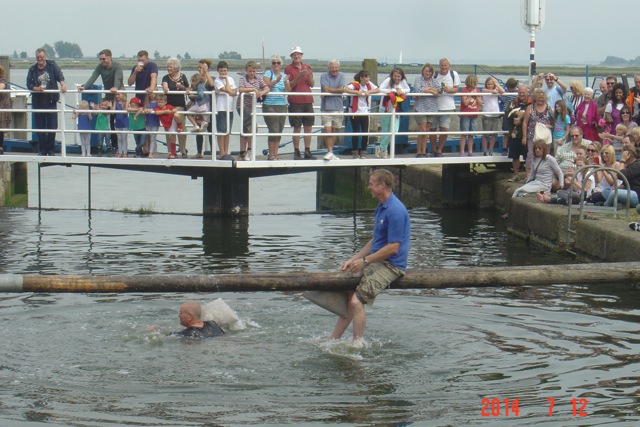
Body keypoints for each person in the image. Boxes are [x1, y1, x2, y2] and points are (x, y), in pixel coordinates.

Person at [329, 169, 410, 344]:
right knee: (348, 290)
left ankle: (357, 344)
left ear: (382, 185)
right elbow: (375, 241)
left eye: (371, 184)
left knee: (356, 302)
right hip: (376, 260)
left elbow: (393, 248)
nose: (369, 187)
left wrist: (365, 261)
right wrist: (353, 259)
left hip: (391, 265)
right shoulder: (381, 206)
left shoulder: (395, 210)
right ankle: (333, 339)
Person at [79, 49, 124, 151]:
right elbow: (93, 77)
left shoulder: (117, 66)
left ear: (110, 57)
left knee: (118, 122)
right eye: (100, 59)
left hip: (119, 97)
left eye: (104, 59)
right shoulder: (100, 67)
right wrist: (84, 86)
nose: (102, 61)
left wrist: (116, 87)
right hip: (108, 97)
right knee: (109, 122)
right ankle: (111, 145)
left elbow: (118, 78)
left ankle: (119, 146)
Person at [26, 48, 67, 156]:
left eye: (42, 57)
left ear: (46, 57)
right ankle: (42, 149)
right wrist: (37, 88)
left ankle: (51, 149)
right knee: (40, 126)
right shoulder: (32, 69)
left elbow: (59, 75)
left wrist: (63, 85)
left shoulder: (52, 65)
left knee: (52, 126)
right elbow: (29, 84)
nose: (40, 59)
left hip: (51, 100)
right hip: (38, 101)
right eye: (38, 57)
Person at [285, 46, 316, 160]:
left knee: (308, 127)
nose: (296, 56)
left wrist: (309, 75)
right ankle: (296, 151)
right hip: (295, 101)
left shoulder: (307, 67)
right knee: (297, 127)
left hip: (308, 100)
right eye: (294, 54)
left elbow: (312, 84)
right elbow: (289, 86)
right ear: (291, 56)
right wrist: (299, 76)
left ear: (301, 55)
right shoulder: (288, 69)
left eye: (298, 54)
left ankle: (307, 150)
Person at [237, 61, 269, 161]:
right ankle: (249, 150)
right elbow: (241, 89)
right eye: (250, 71)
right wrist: (253, 90)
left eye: (253, 71)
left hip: (252, 107)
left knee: (245, 128)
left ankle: (242, 152)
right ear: (246, 71)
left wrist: (261, 92)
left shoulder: (258, 79)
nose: (252, 73)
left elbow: (267, 88)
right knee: (252, 128)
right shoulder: (243, 78)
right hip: (242, 105)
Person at [345, 70, 379, 159]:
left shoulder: (368, 84)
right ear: (361, 78)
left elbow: (378, 89)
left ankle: (363, 151)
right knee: (356, 132)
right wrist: (356, 92)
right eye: (366, 77)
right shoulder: (355, 85)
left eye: (368, 77)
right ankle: (355, 152)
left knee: (365, 132)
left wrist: (369, 92)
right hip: (354, 112)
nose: (368, 79)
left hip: (364, 111)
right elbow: (346, 89)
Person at [262, 55, 291, 160]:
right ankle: (271, 154)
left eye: (278, 63)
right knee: (273, 129)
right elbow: (266, 86)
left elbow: (288, 90)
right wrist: (276, 81)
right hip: (269, 104)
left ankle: (276, 153)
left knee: (279, 130)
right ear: (271, 64)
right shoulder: (268, 73)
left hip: (282, 105)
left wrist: (285, 81)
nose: (276, 65)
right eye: (274, 63)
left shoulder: (284, 76)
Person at [431, 58, 461, 157]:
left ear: (449, 65)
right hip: (434, 106)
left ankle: (439, 150)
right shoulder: (434, 75)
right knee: (432, 129)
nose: (443, 67)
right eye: (442, 65)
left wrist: (448, 90)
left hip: (447, 106)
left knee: (444, 129)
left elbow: (456, 89)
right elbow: (430, 86)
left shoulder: (454, 74)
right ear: (439, 66)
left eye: (445, 65)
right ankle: (433, 150)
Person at [378, 67, 410, 158]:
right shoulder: (388, 80)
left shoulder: (403, 82)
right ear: (392, 76)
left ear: (402, 76)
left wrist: (401, 91)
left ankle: (381, 147)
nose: (397, 78)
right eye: (395, 76)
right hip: (385, 108)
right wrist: (392, 91)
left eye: (399, 76)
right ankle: (384, 151)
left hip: (396, 108)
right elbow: (381, 89)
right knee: (385, 130)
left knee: (394, 130)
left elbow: (408, 89)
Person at [522, 88, 553, 179]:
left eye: (542, 98)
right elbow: (525, 122)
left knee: (545, 155)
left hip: (545, 136)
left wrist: (550, 126)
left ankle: (543, 175)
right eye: (539, 97)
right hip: (532, 135)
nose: (540, 99)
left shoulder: (549, 108)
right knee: (530, 154)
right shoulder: (530, 107)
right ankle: (528, 176)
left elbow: (553, 122)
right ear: (535, 97)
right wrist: (524, 137)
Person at [162, 58, 189, 158]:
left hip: (180, 106)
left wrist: (182, 87)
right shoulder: (166, 77)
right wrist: (165, 87)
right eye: (168, 67)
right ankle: (171, 151)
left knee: (181, 129)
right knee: (169, 129)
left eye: (171, 67)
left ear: (176, 68)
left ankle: (183, 150)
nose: (168, 68)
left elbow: (188, 88)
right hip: (169, 107)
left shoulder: (183, 76)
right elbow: (164, 85)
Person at [320, 60, 346, 161]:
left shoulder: (342, 76)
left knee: (334, 130)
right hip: (326, 108)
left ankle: (331, 152)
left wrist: (331, 90)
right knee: (327, 130)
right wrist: (337, 90)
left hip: (338, 107)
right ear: (329, 68)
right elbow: (326, 89)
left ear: (338, 67)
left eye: (336, 67)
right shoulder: (324, 76)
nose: (334, 70)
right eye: (332, 67)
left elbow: (342, 89)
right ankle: (330, 151)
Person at [504, 84, 531, 182]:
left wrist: (523, 118)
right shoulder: (513, 102)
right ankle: (516, 175)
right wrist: (516, 113)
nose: (521, 94)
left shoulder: (531, 103)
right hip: (514, 134)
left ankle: (528, 176)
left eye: (523, 92)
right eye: (520, 92)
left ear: (527, 92)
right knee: (514, 156)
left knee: (527, 156)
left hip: (527, 134)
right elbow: (507, 113)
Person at [412, 64, 438, 157]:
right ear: (423, 71)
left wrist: (427, 89)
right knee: (422, 130)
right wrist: (431, 90)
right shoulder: (418, 80)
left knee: (427, 130)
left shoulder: (434, 81)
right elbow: (418, 90)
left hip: (432, 108)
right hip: (420, 108)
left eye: (430, 71)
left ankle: (424, 151)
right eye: (426, 71)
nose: (428, 73)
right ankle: (419, 152)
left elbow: (438, 91)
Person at [213, 61, 237, 161]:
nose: (223, 73)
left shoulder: (231, 79)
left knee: (227, 131)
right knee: (221, 131)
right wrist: (226, 81)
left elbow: (234, 92)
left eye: (225, 71)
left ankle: (226, 152)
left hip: (230, 108)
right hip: (221, 108)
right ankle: (222, 152)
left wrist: (229, 89)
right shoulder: (217, 81)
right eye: (221, 71)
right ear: (218, 71)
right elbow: (227, 90)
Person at [193, 59, 216, 159]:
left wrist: (206, 73)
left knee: (211, 130)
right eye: (198, 67)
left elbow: (212, 85)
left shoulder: (212, 78)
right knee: (199, 130)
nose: (199, 69)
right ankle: (199, 152)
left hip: (210, 108)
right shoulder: (197, 79)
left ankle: (213, 152)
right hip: (200, 108)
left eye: (201, 67)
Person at [459, 74, 482, 157]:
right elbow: (465, 102)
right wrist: (470, 94)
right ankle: (462, 151)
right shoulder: (464, 90)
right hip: (465, 114)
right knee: (464, 133)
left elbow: (480, 103)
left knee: (471, 134)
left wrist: (477, 95)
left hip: (474, 114)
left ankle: (470, 151)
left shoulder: (478, 90)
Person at [150, 93, 179, 159]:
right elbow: (157, 113)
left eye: (162, 102)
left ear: (165, 102)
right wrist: (165, 111)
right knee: (171, 138)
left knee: (176, 115)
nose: (160, 103)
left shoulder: (169, 106)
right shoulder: (157, 108)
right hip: (167, 124)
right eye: (159, 102)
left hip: (172, 122)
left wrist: (171, 111)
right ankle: (173, 153)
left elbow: (175, 109)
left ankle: (180, 125)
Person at [481, 76, 504, 156]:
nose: (490, 86)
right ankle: (485, 150)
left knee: (494, 134)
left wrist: (496, 84)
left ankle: (491, 149)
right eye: (488, 84)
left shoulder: (496, 91)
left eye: (491, 84)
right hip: (487, 114)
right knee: (486, 134)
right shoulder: (484, 90)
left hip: (495, 114)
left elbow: (502, 91)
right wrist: (494, 91)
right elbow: (486, 91)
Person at [500, 77, 519, 154]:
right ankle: (505, 148)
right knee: (506, 132)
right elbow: (500, 92)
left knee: (514, 131)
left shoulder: (518, 92)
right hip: (506, 113)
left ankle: (513, 148)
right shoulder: (506, 92)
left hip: (515, 113)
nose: (511, 89)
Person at [112, 92, 129, 158]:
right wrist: (111, 105)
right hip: (117, 123)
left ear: (123, 94)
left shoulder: (126, 102)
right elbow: (113, 112)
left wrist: (123, 107)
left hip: (124, 123)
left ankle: (125, 152)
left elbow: (126, 113)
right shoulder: (115, 102)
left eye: (119, 94)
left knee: (124, 138)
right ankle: (119, 152)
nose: (117, 96)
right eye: (116, 95)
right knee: (119, 138)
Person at [144, 93, 160, 158]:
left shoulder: (157, 102)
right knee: (151, 138)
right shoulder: (147, 103)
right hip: (148, 122)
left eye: (153, 93)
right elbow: (144, 109)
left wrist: (152, 110)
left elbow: (159, 109)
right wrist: (145, 110)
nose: (152, 95)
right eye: (150, 94)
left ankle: (151, 153)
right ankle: (154, 152)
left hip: (155, 122)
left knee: (153, 138)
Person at [0, 65, 11, 155]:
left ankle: (0, 147)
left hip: (2, 107)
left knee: (0, 128)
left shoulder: (3, 81)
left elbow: (1, 87)